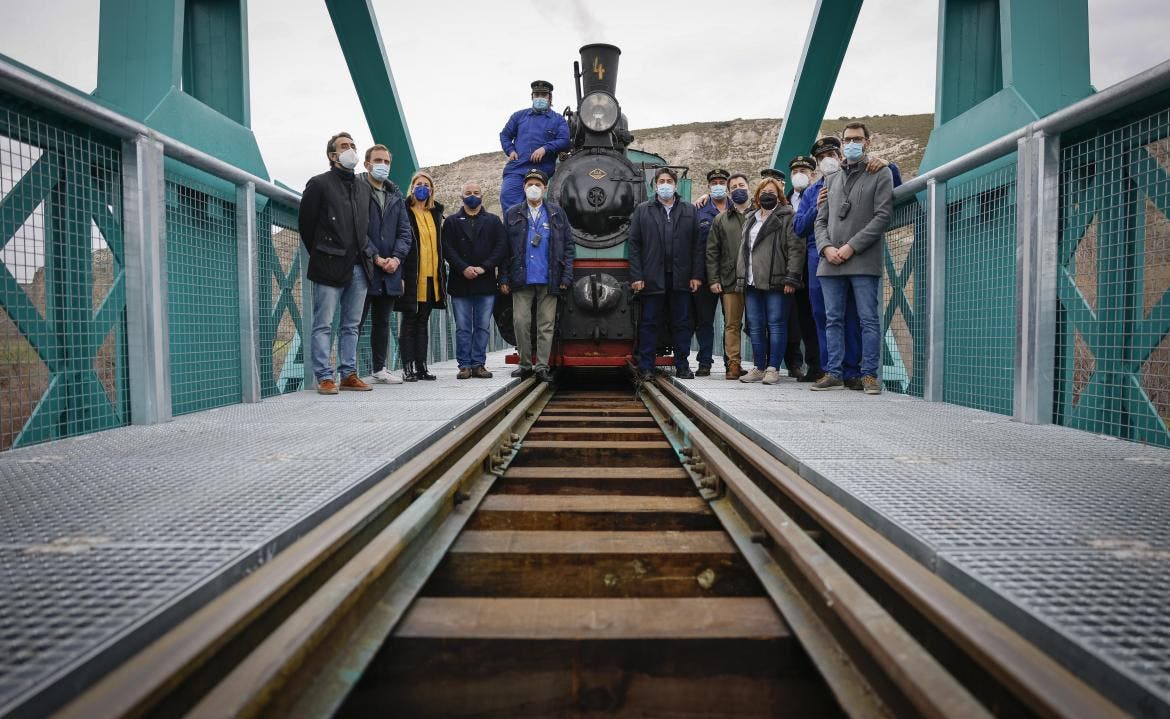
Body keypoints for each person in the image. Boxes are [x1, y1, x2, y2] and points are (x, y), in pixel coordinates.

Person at [796, 135, 902, 389]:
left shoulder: (870, 172)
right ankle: (829, 368)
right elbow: (802, 226)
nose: (826, 161)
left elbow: (890, 196)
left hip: (857, 255)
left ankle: (855, 371)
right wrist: (825, 244)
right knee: (826, 317)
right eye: (820, 158)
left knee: (858, 316)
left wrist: (889, 163)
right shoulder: (813, 190)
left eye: (830, 155)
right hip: (822, 257)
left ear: (840, 154)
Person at [298, 131, 375, 395]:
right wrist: (323, 253)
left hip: (359, 266)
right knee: (324, 323)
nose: (351, 149)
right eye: (344, 146)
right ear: (333, 155)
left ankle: (349, 374)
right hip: (329, 264)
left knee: (351, 325)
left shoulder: (364, 187)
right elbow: (306, 226)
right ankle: (324, 377)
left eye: (353, 145)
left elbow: (365, 228)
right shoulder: (318, 184)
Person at [629, 167, 703, 381]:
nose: (665, 184)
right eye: (661, 180)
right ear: (655, 186)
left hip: (681, 276)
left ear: (675, 184)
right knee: (650, 322)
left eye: (669, 180)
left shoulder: (689, 210)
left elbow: (698, 246)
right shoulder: (643, 210)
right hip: (652, 277)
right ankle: (646, 366)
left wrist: (696, 275)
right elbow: (634, 245)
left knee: (682, 322)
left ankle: (682, 365)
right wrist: (637, 276)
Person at [500, 169, 573, 383]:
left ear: (545, 188)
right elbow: (505, 249)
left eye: (538, 185)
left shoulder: (557, 213)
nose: (534, 188)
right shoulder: (513, 213)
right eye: (530, 184)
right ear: (524, 188)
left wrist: (566, 276)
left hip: (549, 277)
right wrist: (503, 277)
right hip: (521, 277)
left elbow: (568, 246)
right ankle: (524, 364)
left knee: (546, 325)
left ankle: (541, 366)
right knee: (520, 322)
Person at [736, 175, 805, 384]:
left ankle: (773, 368)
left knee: (776, 324)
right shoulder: (750, 218)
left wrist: (792, 278)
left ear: (779, 197)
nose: (767, 196)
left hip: (776, 280)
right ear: (757, 196)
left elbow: (796, 249)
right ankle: (759, 367)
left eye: (772, 193)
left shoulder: (787, 217)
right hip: (752, 280)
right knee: (755, 325)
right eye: (764, 193)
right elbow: (744, 250)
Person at [442, 180, 507, 379]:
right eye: (468, 192)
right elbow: (447, 248)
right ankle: (464, 365)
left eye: (476, 192)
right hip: (460, 283)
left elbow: (501, 247)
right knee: (462, 327)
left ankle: (479, 364)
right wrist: (463, 267)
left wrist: (484, 267)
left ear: (481, 195)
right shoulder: (452, 221)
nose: (472, 195)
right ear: (462, 197)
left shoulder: (493, 221)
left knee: (482, 326)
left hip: (485, 282)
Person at [359, 144, 413, 384]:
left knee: (382, 321)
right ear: (367, 163)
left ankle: (379, 368)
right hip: (365, 266)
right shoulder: (357, 189)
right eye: (378, 160)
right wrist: (375, 257)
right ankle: (347, 371)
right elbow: (357, 229)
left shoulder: (395, 195)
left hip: (390, 268)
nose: (383, 165)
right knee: (355, 322)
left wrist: (396, 259)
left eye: (386, 161)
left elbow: (405, 232)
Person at [398, 170, 446, 382]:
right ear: (412, 186)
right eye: (418, 183)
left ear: (431, 189)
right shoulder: (404, 211)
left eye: (426, 185)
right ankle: (408, 368)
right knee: (409, 321)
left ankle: (422, 367)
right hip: (411, 275)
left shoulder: (434, 213)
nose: (422, 188)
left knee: (423, 322)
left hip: (430, 276)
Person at [498, 80, 571, 211]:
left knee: (536, 208)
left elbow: (565, 140)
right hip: (517, 168)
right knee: (509, 201)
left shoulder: (558, 120)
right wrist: (510, 150)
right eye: (537, 95)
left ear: (550, 98)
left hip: (542, 171)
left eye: (543, 95)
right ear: (532, 96)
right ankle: (514, 230)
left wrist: (545, 148)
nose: (540, 98)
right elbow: (505, 135)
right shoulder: (518, 116)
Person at [708, 172, 752, 379]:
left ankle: (762, 364)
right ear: (728, 193)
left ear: (749, 188)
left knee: (759, 324)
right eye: (733, 187)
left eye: (741, 185)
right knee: (732, 324)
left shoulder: (760, 214)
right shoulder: (721, 219)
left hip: (756, 280)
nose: (737, 189)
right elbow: (712, 252)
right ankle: (733, 365)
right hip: (729, 280)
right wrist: (714, 279)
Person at [784, 155, 824, 383]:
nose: (799, 173)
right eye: (795, 170)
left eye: (804, 170)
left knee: (821, 313)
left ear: (813, 174)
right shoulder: (786, 199)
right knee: (803, 318)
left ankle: (825, 365)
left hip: (817, 259)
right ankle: (812, 365)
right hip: (794, 268)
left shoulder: (821, 193)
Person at [692, 168, 728, 376]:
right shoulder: (699, 210)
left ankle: (731, 362)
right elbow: (696, 247)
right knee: (704, 321)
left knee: (731, 321)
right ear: (708, 186)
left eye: (722, 182)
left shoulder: (738, 208)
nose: (718, 185)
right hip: (705, 275)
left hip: (731, 275)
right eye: (714, 182)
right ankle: (704, 362)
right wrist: (695, 275)